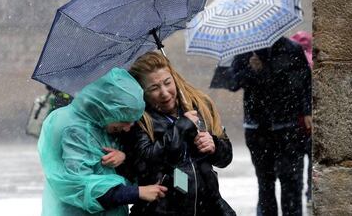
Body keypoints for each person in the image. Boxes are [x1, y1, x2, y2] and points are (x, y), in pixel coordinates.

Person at [38, 67, 167, 216]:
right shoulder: (74, 129)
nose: (127, 128)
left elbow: (103, 171)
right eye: (125, 120)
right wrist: (136, 192)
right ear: (108, 109)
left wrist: (124, 158)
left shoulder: (99, 124)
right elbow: (82, 188)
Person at [125, 51, 236, 216]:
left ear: (174, 78)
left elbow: (225, 158)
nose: (164, 92)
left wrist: (214, 145)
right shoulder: (139, 120)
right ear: (142, 92)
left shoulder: (199, 105)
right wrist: (180, 128)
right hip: (163, 210)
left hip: (208, 207)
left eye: (167, 82)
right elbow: (144, 162)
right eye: (154, 88)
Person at [215, 37, 312, 216]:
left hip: (288, 128)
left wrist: (307, 111)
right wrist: (252, 70)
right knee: (265, 184)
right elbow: (232, 82)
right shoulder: (245, 51)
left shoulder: (291, 49)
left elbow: (305, 82)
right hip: (258, 129)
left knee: (291, 183)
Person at [290, 31, 313, 204]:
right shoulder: (313, 61)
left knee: (295, 162)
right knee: (313, 159)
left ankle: (297, 192)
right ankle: (310, 191)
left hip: (293, 122)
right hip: (312, 121)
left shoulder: (291, 62)